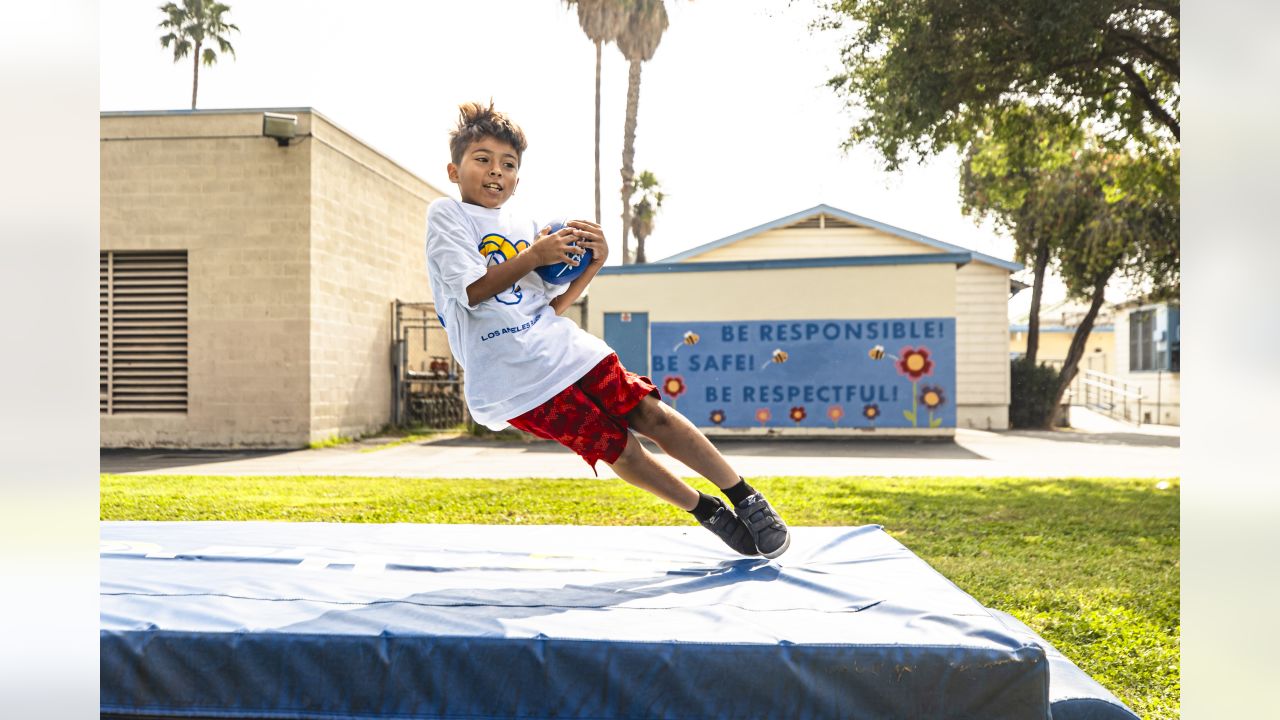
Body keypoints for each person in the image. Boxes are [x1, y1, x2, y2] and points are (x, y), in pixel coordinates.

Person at [425, 101, 790, 558]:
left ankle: (744, 496)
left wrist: (593, 264)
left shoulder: (529, 227)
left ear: (518, 178)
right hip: (513, 381)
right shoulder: (447, 215)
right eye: (482, 159)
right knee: (622, 449)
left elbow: (550, 307)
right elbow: (474, 290)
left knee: (652, 413)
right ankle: (706, 510)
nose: (496, 171)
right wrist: (536, 256)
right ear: (454, 170)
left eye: (508, 164)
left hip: (563, 349)